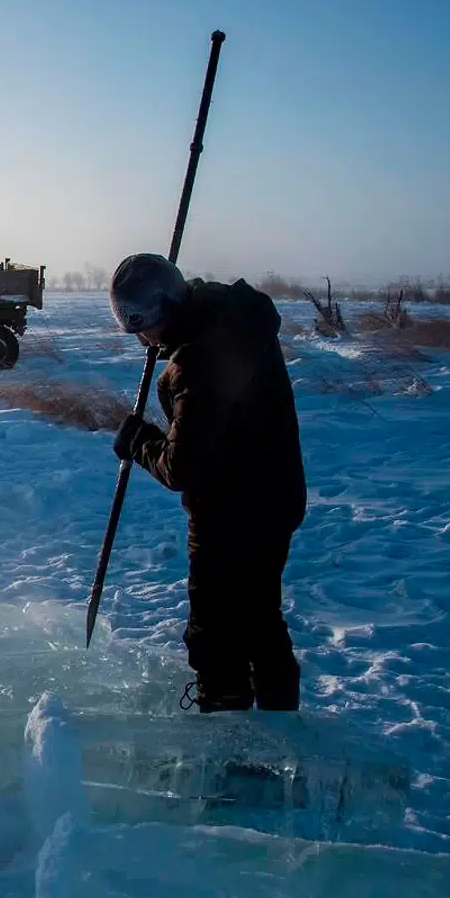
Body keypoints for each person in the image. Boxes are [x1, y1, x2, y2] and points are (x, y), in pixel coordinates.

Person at [108, 253, 306, 713]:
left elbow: (184, 467)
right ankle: (279, 727)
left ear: (170, 310)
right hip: (272, 498)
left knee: (215, 634)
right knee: (259, 619)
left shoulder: (201, 360)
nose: (143, 340)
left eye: (144, 326)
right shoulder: (229, 316)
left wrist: (138, 440)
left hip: (230, 514)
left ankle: (226, 738)